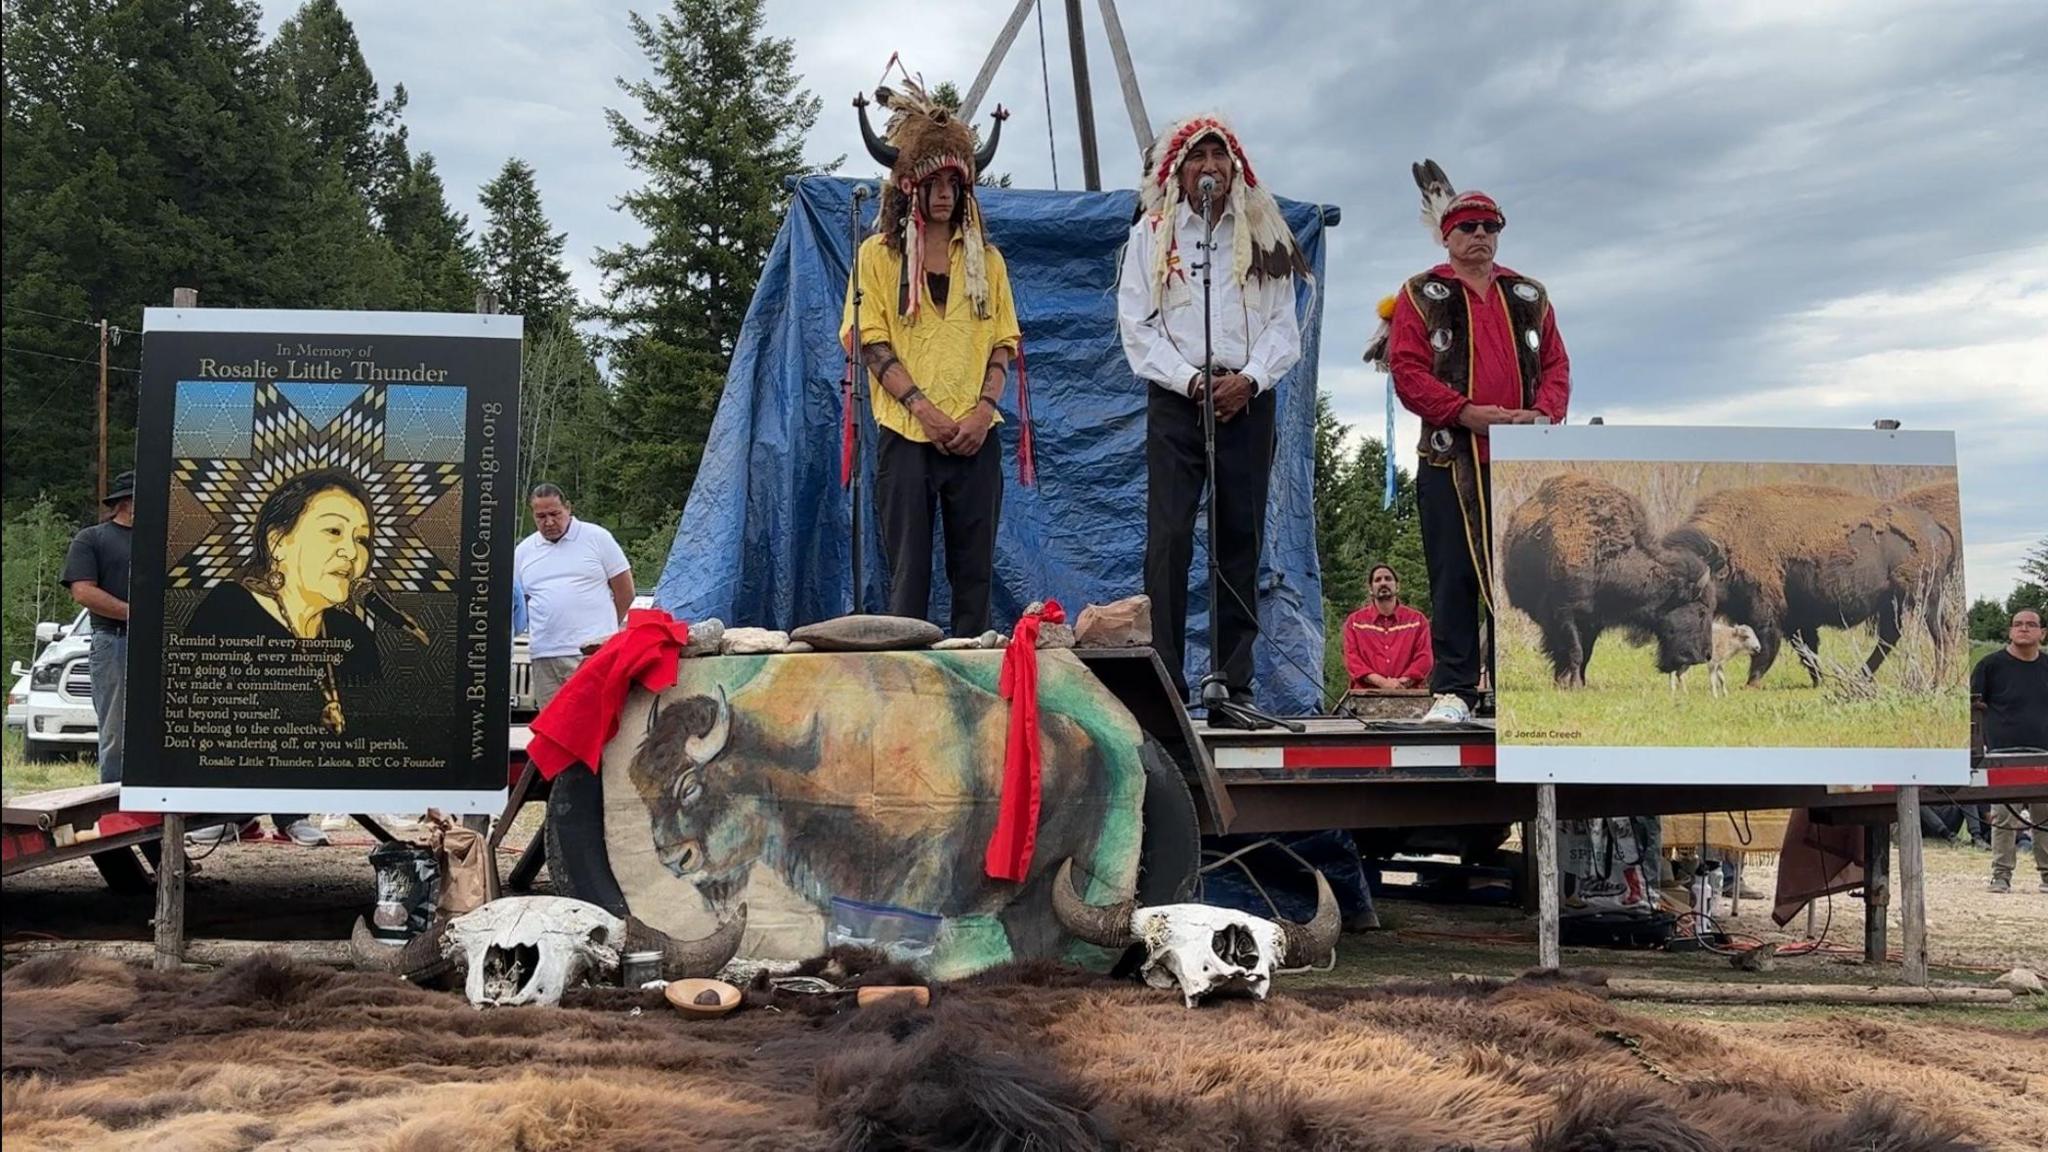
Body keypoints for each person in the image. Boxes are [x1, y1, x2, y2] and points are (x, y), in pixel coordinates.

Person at [1116, 115, 1308, 721]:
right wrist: (1192, 381)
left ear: (1233, 168)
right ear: (1180, 170)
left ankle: (1232, 682)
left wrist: (1247, 380)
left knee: (1239, 535)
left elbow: (1284, 326)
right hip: (1179, 397)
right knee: (1169, 537)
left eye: (1218, 157)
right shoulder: (1152, 233)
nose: (1209, 168)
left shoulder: (1263, 231)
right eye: (1197, 157)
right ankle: (1166, 681)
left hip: (1246, 395)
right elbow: (1136, 327)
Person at [1388, 165, 1569, 724]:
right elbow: (1407, 369)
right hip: (1451, 454)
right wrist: (1465, 412)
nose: (1480, 235)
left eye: (1490, 226)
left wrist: (1542, 415)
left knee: (1527, 572)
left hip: (1520, 462)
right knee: (1454, 573)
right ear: (1447, 235)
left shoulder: (1529, 295)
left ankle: (1522, 683)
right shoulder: (1422, 295)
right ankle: (1457, 689)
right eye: (1468, 226)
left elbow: (1557, 365)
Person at [842, 80, 1019, 638]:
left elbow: (1002, 342)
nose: (944, 195)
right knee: (908, 575)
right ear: (908, 187)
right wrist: (924, 409)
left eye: (953, 183)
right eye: (932, 183)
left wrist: (977, 412)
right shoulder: (877, 255)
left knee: (974, 575)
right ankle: (909, 691)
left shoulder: (987, 260)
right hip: (906, 434)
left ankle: (975, 690)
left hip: (975, 434)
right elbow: (869, 340)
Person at [186, 468, 393, 848]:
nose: (351, 552)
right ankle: (225, 813)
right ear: (278, 540)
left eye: (361, 539)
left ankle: (293, 815)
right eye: (333, 531)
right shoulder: (225, 612)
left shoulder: (353, 635)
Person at [514, 483, 633, 709]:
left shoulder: (598, 538)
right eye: (541, 516)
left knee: (593, 722)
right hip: (544, 654)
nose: (549, 522)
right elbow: (519, 601)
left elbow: (625, 592)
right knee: (551, 727)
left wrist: (604, 632)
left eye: (555, 514)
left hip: (590, 655)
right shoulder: (524, 551)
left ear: (568, 508)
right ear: (533, 515)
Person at [62, 472, 136, 787]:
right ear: (126, 501)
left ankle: (160, 817)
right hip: (114, 639)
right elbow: (83, 592)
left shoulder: (163, 539)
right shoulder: (92, 538)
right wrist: (137, 614)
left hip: (163, 642)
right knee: (116, 730)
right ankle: (114, 810)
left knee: (162, 729)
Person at [1973, 607, 2047, 894]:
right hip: (2003, 756)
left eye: (2031, 624)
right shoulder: (1990, 665)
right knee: (2003, 817)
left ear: (2042, 633)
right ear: (2009, 631)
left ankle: (2047, 876)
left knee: (2045, 816)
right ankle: (2001, 876)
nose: (2024, 629)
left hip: (2044, 756)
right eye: (2018, 624)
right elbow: (1974, 708)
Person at [1342, 564, 1433, 691]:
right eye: (1378, 580)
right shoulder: (1355, 622)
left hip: (1410, 695)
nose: (1383, 582)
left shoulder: (1417, 621)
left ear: (1397, 586)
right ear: (1370, 588)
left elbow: (1425, 658)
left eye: (1388, 578)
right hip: (1366, 696)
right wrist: (1382, 683)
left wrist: (1401, 683)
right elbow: (1352, 660)